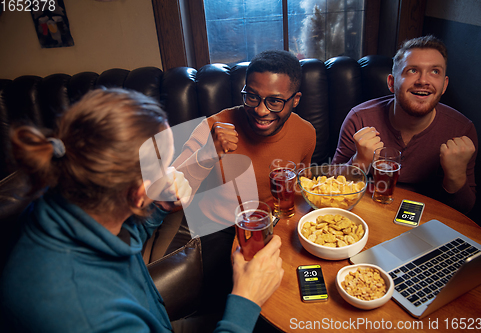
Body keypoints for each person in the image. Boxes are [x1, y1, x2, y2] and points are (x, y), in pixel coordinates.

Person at [0, 88, 284, 333]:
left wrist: (159, 205)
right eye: (166, 166)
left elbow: (120, 232)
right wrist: (245, 300)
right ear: (138, 193)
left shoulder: (63, 201)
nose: (172, 172)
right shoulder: (84, 315)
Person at [170, 50, 316, 313]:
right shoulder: (212, 127)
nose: (261, 110)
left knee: (294, 299)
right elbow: (169, 198)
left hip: (273, 227)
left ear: (295, 100)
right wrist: (207, 154)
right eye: (252, 97)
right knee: (221, 305)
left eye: (274, 102)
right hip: (218, 227)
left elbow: (297, 192)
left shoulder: (306, 133)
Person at [332, 35, 477, 213]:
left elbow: (465, 211)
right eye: (412, 70)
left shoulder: (462, 130)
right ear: (392, 83)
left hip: (429, 222)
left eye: (435, 72)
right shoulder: (359, 119)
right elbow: (332, 188)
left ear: (444, 85)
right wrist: (359, 162)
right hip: (370, 215)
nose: (423, 81)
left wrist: (456, 177)